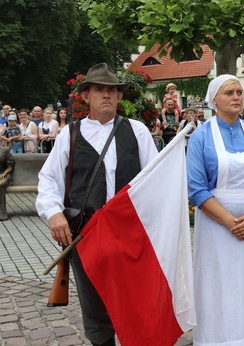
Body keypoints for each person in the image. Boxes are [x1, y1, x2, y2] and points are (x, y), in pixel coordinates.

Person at [35, 62, 158, 346]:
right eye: (99, 90)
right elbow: (48, 180)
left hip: (129, 233)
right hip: (86, 232)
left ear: (119, 97)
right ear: (86, 96)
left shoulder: (137, 131)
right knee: (94, 306)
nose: (106, 95)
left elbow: (155, 180)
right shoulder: (70, 133)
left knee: (133, 301)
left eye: (112, 91)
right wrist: (54, 214)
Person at [186, 74, 244, 346]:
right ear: (214, 99)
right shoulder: (200, 136)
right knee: (218, 286)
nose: (237, 96)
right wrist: (231, 222)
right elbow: (196, 188)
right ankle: (218, 339)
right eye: (229, 92)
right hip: (216, 226)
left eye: (239, 91)